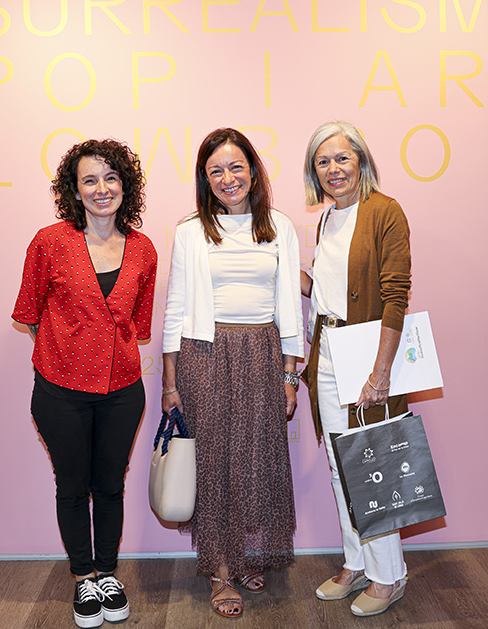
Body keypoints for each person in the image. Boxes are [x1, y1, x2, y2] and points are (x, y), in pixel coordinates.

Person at [12, 139, 157, 629]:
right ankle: (84, 578)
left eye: (111, 178)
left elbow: (138, 324)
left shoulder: (143, 249)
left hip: (122, 391)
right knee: (72, 486)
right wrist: (63, 351)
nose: (101, 189)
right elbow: (30, 312)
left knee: (110, 486)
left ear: (125, 186)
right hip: (60, 391)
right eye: (89, 180)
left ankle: (109, 574)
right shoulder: (49, 242)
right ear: (74, 190)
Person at [160, 128, 303, 619]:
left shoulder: (280, 227)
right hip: (205, 352)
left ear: (253, 171)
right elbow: (176, 308)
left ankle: (243, 556)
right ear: (205, 179)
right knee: (216, 461)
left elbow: (289, 304)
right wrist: (170, 383)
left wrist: (289, 374)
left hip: (262, 351)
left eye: (236, 166)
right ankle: (221, 570)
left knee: (254, 457)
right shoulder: (190, 231)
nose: (228, 178)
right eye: (215, 170)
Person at [299, 121, 412, 618]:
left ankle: (390, 575)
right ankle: (356, 563)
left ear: (361, 161)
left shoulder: (385, 211)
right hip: (327, 353)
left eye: (342, 158)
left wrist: (380, 372)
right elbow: (324, 291)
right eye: (323, 162)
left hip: (365, 355)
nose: (333, 169)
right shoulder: (327, 218)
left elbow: (395, 296)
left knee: (371, 465)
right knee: (340, 464)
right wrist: (278, 269)